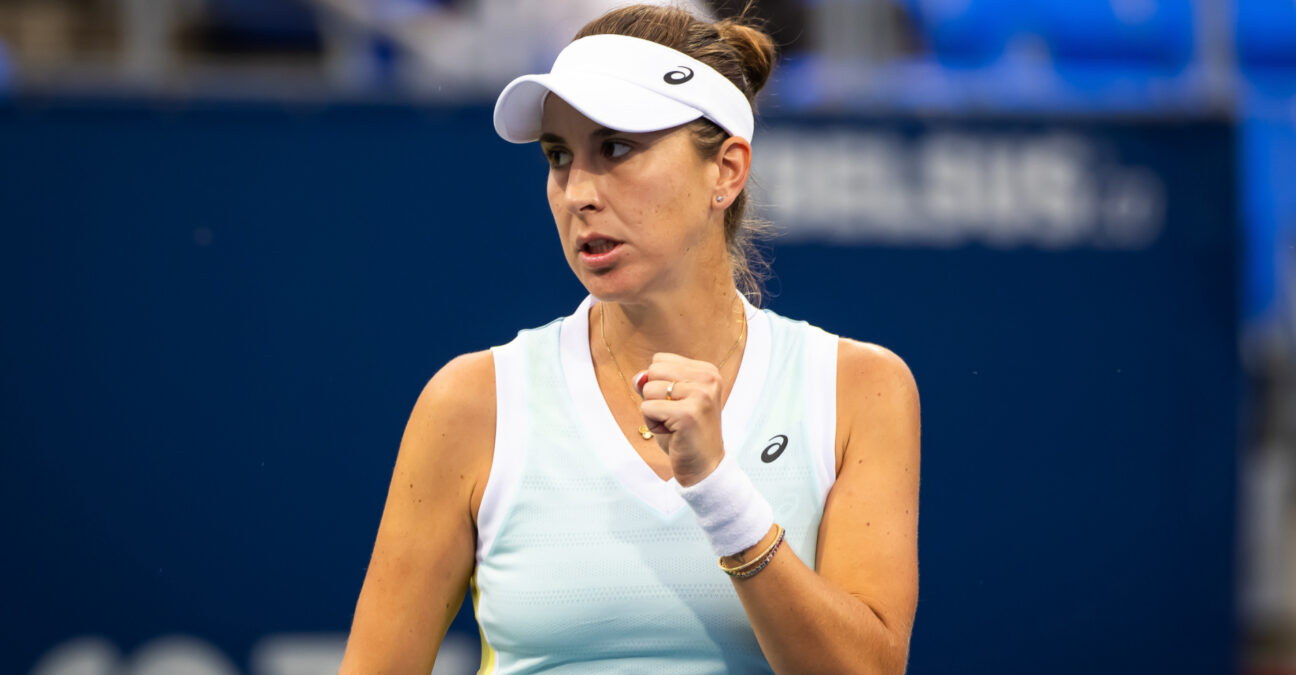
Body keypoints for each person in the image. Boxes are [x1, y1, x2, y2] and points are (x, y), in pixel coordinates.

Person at [339, 5, 920, 673]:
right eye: (559, 156)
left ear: (726, 171)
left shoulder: (859, 388)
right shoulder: (468, 404)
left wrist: (718, 491)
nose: (578, 192)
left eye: (616, 148)